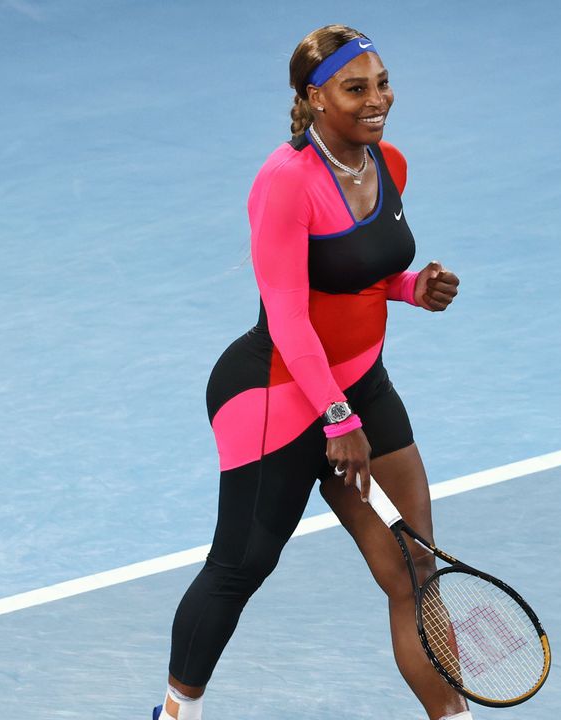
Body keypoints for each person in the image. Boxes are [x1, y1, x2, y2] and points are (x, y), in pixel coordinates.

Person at [154, 24, 470, 720]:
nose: (376, 99)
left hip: (360, 387)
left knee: (417, 570)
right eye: (355, 88)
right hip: (276, 395)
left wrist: (414, 287)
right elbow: (290, 315)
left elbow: (360, 276)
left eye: (381, 82)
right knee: (241, 568)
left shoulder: (389, 163)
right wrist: (337, 417)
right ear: (313, 97)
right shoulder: (285, 181)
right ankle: (176, 714)